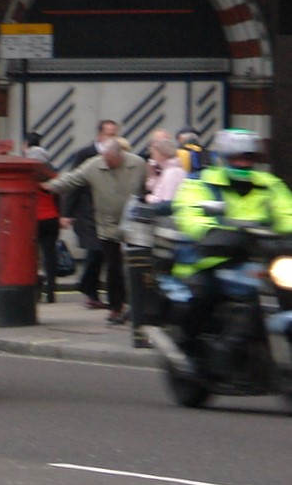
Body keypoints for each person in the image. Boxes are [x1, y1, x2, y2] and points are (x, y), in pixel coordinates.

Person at [170, 128, 292, 373]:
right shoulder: (201, 183)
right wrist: (210, 231)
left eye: (247, 158)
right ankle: (191, 349)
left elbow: (287, 213)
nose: (242, 163)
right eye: (237, 158)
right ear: (223, 158)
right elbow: (189, 213)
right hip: (213, 259)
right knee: (203, 294)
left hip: (262, 260)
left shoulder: (269, 185)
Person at [45, 135, 146, 321]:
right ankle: (116, 307)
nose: (107, 163)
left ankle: (136, 306)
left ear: (120, 155)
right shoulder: (94, 165)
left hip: (134, 224)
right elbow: (72, 179)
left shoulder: (138, 164)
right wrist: (48, 187)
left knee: (136, 267)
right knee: (114, 268)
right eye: (105, 159)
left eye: (110, 160)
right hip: (107, 225)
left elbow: (148, 188)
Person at [25, 132, 62, 304]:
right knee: (50, 255)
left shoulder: (27, 176)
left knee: (32, 256)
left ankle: (34, 289)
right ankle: (51, 290)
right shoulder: (53, 175)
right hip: (52, 218)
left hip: (32, 220)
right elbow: (58, 197)